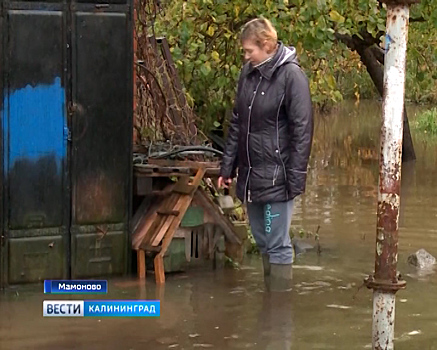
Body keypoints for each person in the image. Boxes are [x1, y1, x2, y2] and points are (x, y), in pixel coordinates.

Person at [218, 17, 313, 292]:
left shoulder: (291, 76)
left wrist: (295, 179)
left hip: (278, 175)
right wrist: (227, 168)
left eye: (250, 51)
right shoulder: (247, 74)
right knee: (260, 239)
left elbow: (302, 130)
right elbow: (238, 123)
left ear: (267, 45)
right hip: (251, 172)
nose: (246, 57)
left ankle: (279, 307)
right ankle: (270, 301)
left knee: (276, 242)